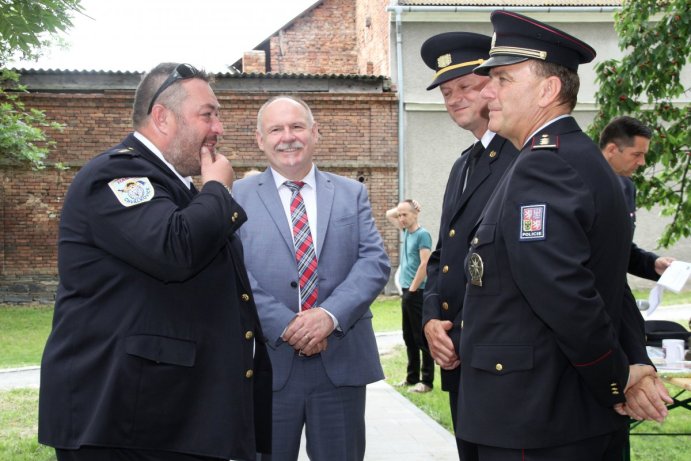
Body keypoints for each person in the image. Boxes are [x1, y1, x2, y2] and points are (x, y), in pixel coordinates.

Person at [456, 12, 669, 460]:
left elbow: (563, 292)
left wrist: (617, 375)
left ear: (548, 90)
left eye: (503, 78)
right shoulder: (577, 158)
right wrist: (630, 365)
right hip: (561, 415)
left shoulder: (545, 164)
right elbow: (604, 279)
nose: (487, 91)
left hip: (535, 419)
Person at [38, 63, 271, 461]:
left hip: (169, 418)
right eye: (207, 114)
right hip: (124, 421)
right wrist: (217, 189)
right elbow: (174, 248)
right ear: (162, 116)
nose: (219, 128)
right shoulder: (118, 174)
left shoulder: (174, 189)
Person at [232, 95, 390, 461]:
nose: (288, 137)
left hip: (340, 361)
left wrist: (328, 316)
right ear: (260, 140)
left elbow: (374, 262)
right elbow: (233, 273)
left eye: (297, 126)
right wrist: (286, 324)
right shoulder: (235, 196)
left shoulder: (352, 193)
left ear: (315, 133)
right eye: (276, 129)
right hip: (268, 364)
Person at [418, 31, 519, 448]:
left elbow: (515, 268)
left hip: (501, 359)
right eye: (445, 92)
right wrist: (429, 319)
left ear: (492, 86)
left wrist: (457, 330)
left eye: (464, 86)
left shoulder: (521, 158)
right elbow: (443, 254)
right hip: (458, 356)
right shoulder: (463, 165)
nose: (453, 98)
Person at [599, 116, 675, 279]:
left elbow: (619, 250)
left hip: (617, 294)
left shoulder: (627, 186)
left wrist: (653, 263)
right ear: (612, 149)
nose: (642, 162)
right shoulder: (577, 184)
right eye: (637, 154)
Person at [385, 199, 434, 393]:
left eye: (405, 214)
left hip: (417, 291)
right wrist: (401, 208)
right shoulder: (407, 232)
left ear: (416, 214)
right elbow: (388, 215)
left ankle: (427, 381)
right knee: (408, 337)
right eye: (400, 215)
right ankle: (412, 378)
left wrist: (412, 289)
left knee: (421, 337)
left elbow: (425, 264)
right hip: (407, 291)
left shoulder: (423, 235)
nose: (401, 218)